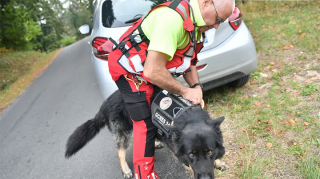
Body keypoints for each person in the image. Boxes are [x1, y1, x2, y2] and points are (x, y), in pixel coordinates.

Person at [107, 0, 235, 178]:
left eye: (221, 22)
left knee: (162, 109)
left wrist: (196, 87)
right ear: (206, 3)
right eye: (218, 19)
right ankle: (145, 174)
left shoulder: (198, 26)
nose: (216, 25)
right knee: (145, 123)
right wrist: (184, 91)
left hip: (151, 69)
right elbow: (152, 71)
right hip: (130, 72)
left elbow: (188, 61)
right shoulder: (171, 20)